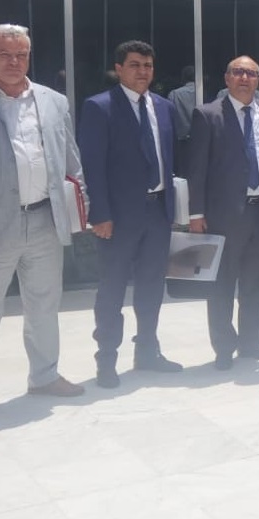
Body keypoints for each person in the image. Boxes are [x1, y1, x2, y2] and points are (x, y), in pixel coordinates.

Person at [0, 24, 88, 422]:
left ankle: (44, 376)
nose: (14, 62)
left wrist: (80, 207)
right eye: (5, 54)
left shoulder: (54, 101)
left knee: (44, 305)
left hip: (44, 220)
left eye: (21, 54)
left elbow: (71, 160)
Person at [77, 40, 184, 388]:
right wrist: (100, 214)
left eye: (148, 66)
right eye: (135, 65)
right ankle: (106, 359)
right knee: (112, 289)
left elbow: (170, 159)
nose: (142, 71)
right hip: (118, 217)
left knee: (152, 286)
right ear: (119, 69)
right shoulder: (99, 107)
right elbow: (93, 165)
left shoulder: (164, 107)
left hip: (157, 211)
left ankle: (148, 351)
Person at [187, 56, 259, 369]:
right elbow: (196, 168)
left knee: (256, 283)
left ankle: (251, 343)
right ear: (227, 78)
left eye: (251, 73)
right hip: (225, 216)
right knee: (222, 285)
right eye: (238, 72)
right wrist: (195, 213)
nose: (244, 78)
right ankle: (224, 348)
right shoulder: (207, 114)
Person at [168, 65, 198, 177]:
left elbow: (169, 117)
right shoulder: (203, 92)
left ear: (183, 78)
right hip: (202, 140)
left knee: (182, 175)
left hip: (182, 142)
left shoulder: (174, 94)